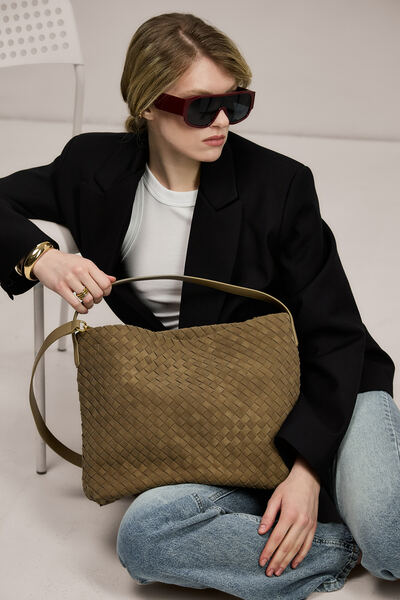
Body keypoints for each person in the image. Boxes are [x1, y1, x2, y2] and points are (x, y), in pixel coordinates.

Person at [0, 11, 398, 600]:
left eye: (235, 103)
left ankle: (345, 505)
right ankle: (337, 545)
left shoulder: (280, 185)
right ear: (146, 105)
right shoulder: (92, 167)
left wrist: (308, 472)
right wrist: (44, 258)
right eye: (200, 107)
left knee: (389, 535)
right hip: (217, 419)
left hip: (325, 390)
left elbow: (335, 336)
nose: (221, 122)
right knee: (145, 538)